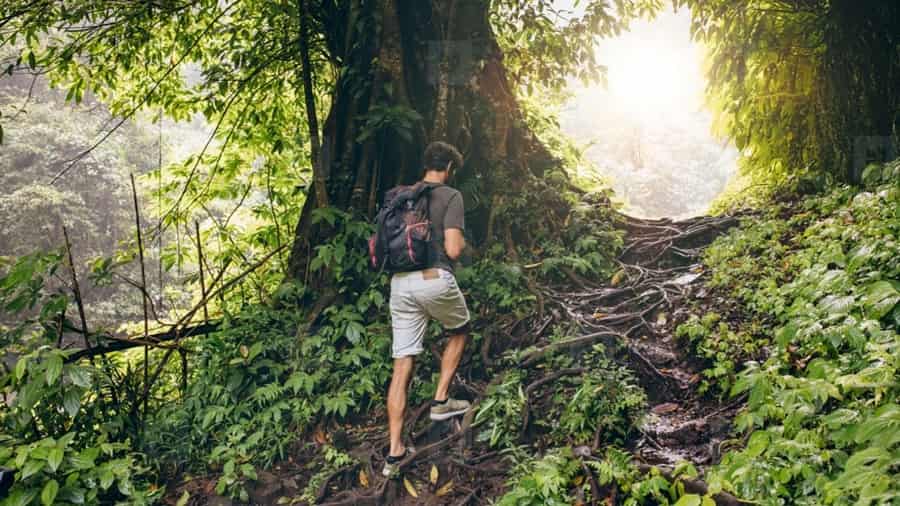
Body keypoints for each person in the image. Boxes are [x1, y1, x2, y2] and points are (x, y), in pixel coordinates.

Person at [382, 141, 471, 477]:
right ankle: (440, 400)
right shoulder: (450, 196)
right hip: (434, 277)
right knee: (459, 329)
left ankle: (394, 453)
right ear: (448, 167)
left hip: (399, 284)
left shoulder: (403, 196)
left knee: (402, 362)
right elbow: (454, 249)